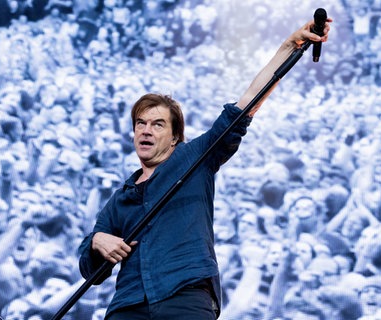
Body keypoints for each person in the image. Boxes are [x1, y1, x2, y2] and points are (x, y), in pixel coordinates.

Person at [78, 16, 333, 320]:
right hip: (128, 305)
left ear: (175, 138)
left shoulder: (194, 158)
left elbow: (244, 107)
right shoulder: (120, 199)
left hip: (185, 294)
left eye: (157, 124)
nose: (146, 131)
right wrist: (97, 242)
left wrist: (290, 46)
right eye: (140, 124)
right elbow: (90, 272)